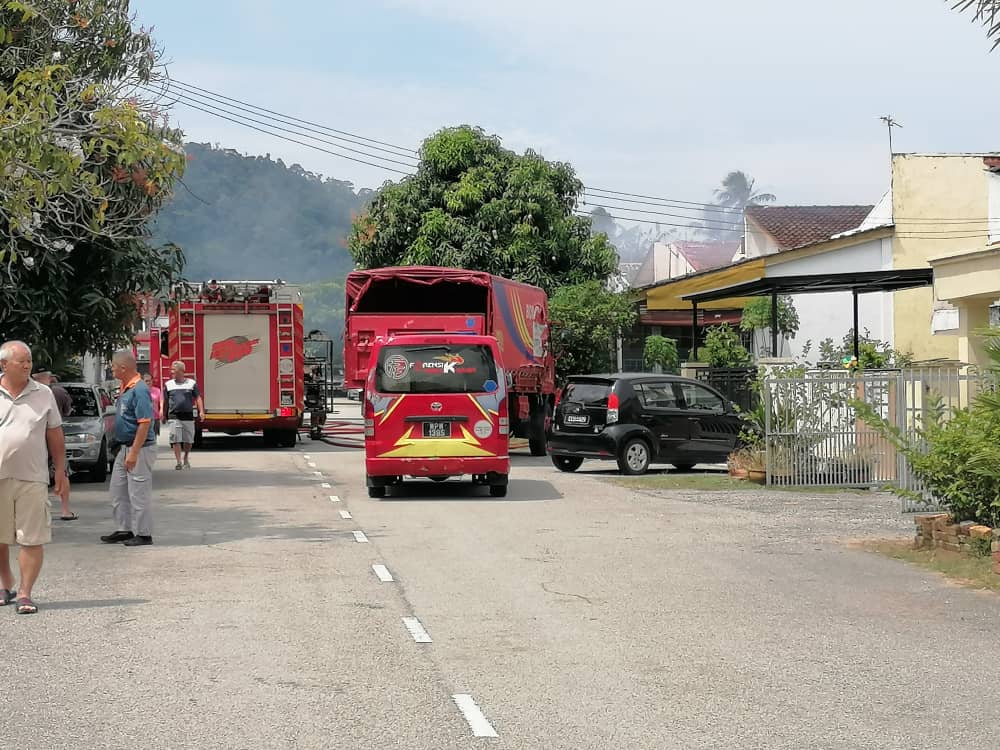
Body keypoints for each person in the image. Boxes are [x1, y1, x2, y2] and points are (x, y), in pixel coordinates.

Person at [0, 341, 70, 614]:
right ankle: (5, 584)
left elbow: (55, 433)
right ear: (4, 364)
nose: (28, 365)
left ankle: (25, 594)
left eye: (29, 360)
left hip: (32, 477)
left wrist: (60, 471)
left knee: (32, 537)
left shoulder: (43, 393)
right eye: (22, 361)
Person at [101, 350, 156, 547]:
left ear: (123, 368)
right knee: (118, 491)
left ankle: (144, 534)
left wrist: (133, 452)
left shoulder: (140, 389)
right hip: (125, 447)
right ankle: (124, 529)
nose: (111, 368)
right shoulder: (126, 387)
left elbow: (144, 423)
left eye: (113, 366)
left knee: (138, 493)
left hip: (139, 449)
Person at [31, 367, 76, 521]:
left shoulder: (29, 393)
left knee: (36, 474)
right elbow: (68, 411)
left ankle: (38, 511)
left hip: (35, 438)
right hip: (56, 435)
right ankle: (65, 510)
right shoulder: (59, 392)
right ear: (50, 378)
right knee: (62, 470)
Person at [163, 361, 203, 470]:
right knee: (175, 439)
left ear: (181, 371)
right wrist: (163, 414)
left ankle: (185, 457)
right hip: (174, 416)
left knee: (188, 440)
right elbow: (165, 400)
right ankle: (178, 462)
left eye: (173, 370)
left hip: (188, 416)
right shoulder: (168, 384)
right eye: (171, 370)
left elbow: (198, 398)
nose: (171, 372)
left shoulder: (191, 383)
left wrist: (201, 411)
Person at [143, 373, 163, 440]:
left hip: (155, 417)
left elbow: (161, 401)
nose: (148, 382)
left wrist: (161, 410)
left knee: (154, 437)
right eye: (146, 381)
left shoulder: (157, 390)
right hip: (144, 417)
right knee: (144, 437)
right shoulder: (140, 391)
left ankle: (153, 449)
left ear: (152, 381)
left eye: (149, 380)